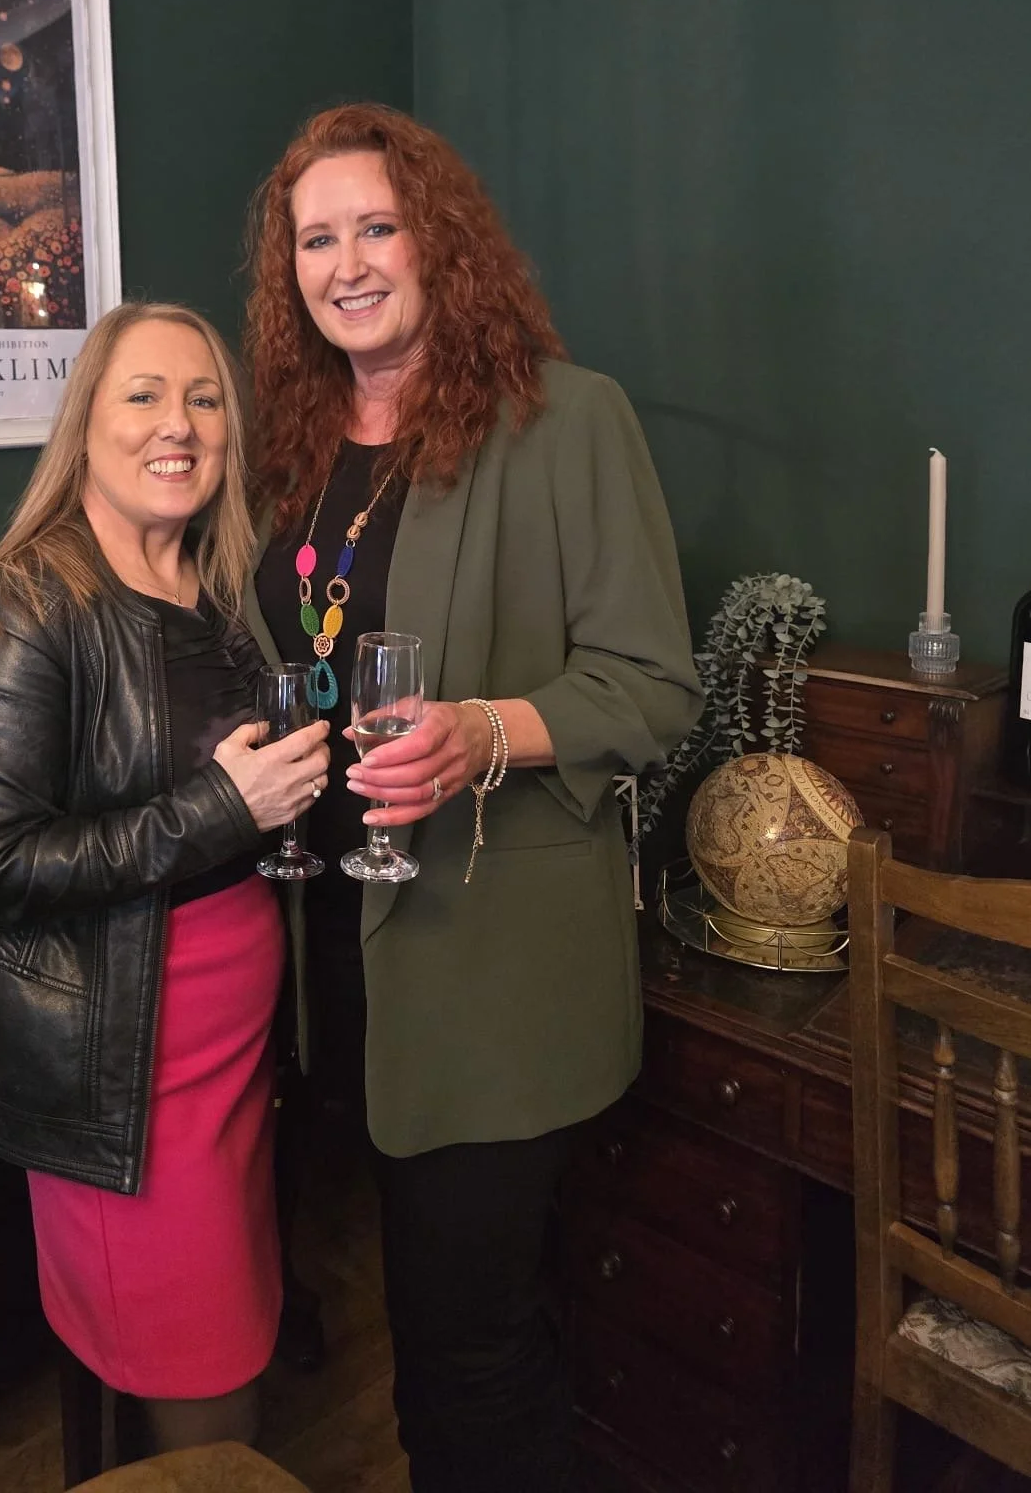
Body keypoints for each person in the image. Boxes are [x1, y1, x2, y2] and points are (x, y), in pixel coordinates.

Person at [242, 104, 703, 1492]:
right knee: (428, 1317)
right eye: (316, 239)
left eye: (377, 227)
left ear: (440, 241)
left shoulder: (567, 421)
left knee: (468, 1352)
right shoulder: (291, 444)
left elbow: (654, 685)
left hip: (493, 972)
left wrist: (482, 735)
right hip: (336, 957)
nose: (347, 264)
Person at [0, 301, 330, 1455]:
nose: (178, 424)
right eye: (143, 394)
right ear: (86, 423)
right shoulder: (18, 606)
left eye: (203, 398)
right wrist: (225, 807)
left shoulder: (220, 592)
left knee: (228, 1327)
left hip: (232, 1051)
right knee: (207, 1373)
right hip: (124, 1072)